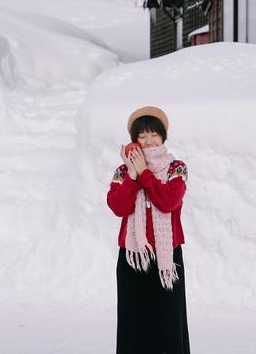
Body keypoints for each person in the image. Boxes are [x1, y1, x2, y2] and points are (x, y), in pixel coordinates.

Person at [106, 105, 191, 354]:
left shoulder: (176, 168)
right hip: (133, 256)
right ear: (134, 140)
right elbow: (118, 207)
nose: (149, 140)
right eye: (142, 136)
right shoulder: (123, 172)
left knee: (169, 320)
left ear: (163, 136)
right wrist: (132, 176)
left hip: (167, 258)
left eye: (154, 134)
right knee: (134, 321)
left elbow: (168, 201)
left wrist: (144, 173)